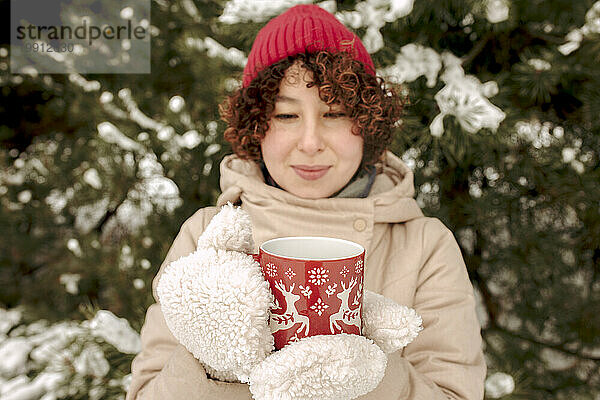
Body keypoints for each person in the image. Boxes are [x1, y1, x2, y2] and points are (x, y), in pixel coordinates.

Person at [127, 4, 486, 400]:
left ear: (367, 123)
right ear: (255, 127)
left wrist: (369, 373)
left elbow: (455, 393)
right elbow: (146, 392)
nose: (311, 142)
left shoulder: (424, 246)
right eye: (285, 115)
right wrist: (213, 364)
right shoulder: (208, 234)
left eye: (334, 113)